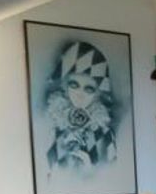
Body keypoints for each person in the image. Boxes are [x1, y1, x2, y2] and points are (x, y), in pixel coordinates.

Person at [44, 41, 118, 172]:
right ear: (65, 86)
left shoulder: (105, 134)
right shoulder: (50, 127)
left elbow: (113, 173)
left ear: (97, 94)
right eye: (74, 85)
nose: (80, 94)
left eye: (89, 89)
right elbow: (46, 172)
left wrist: (88, 169)